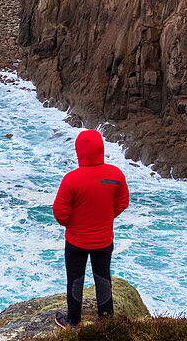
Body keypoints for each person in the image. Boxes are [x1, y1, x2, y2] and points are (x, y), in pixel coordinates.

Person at [52, 129, 129, 329]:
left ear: (79, 152)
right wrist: (105, 218)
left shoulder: (71, 179)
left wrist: (74, 222)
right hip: (104, 240)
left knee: (76, 279)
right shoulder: (115, 175)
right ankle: (105, 319)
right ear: (101, 149)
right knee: (103, 277)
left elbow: (60, 214)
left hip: (76, 242)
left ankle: (73, 321)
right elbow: (123, 202)